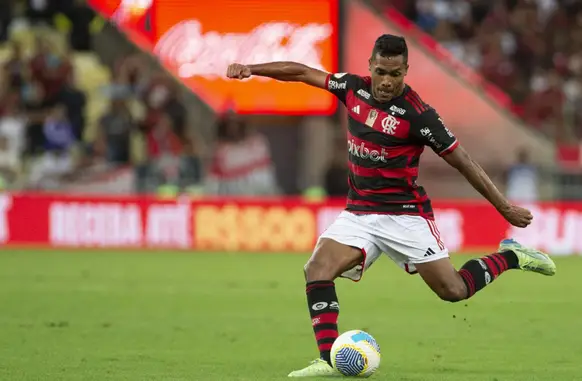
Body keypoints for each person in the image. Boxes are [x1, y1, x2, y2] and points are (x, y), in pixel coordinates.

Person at [226, 34, 556, 378]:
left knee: (454, 290)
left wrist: (504, 208)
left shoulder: (420, 116)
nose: (387, 81)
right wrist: (252, 68)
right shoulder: (352, 88)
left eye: (395, 74)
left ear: (405, 71)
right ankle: (328, 359)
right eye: (381, 71)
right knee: (317, 269)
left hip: (405, 215)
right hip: (360, 212)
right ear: (370, 66)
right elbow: (302, 73)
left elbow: (463, 161)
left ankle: (512, 255)